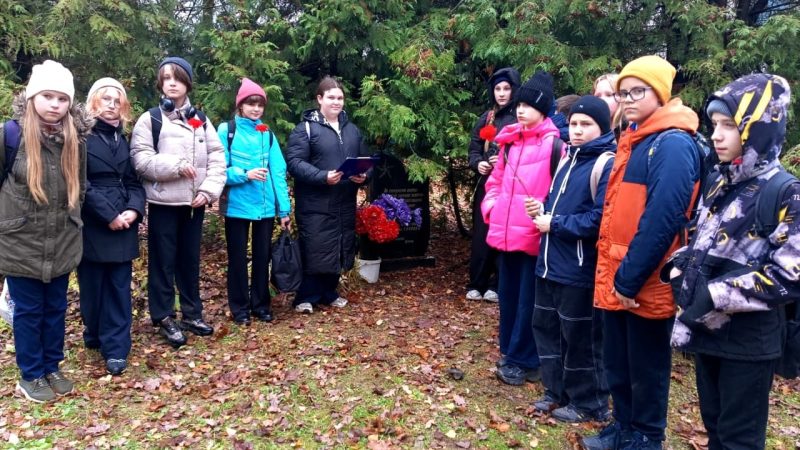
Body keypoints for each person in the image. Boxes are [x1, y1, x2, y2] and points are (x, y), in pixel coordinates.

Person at [666, 73, 798, 450]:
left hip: (750, 341)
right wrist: (679, 266)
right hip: (708, 332)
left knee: (740, 437)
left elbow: (790, 274)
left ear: (759, 129)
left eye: (730, 125)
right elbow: (704, 241)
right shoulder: (720, 182)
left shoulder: (785, 192)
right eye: (714, 125)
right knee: (716, 429)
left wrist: (718, 294)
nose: (717, 135)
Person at [583, 55, 702, 450]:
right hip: (618, 274)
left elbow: (664, 218)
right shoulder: (633, 138)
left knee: (646, 366)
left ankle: (646, 436)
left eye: (639, 91)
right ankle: (623, 426)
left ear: (661, 93)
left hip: (644, 280)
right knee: (619, 362)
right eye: (623, 92)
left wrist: (630, 277)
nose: (628, 99)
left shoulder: (672, 143)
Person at [0, 60, 89, 402]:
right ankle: (31, 374)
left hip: (63, 241)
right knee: (28, 311)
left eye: (62, 98)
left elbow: (80, 188)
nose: (55, 104)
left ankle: (52, 366)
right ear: (33, 96)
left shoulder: (75, 142)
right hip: (20, 243)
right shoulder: (11, 135)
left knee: (55, 309)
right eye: (48, 96)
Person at [527, 95, 614, 422]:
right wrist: (541, 209)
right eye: (573, 123)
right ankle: (556, 391)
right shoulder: (567, 159)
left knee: (581, 339)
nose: (576, 130)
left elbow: (600, 218)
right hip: (549, 264)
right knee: (547, 331)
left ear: (601, 127)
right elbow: (554, 203)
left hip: (579, 270)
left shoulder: (605, 164)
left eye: (585, 125)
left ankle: (589, 402)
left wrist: (557, 223)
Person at [130, 56, 226, 348]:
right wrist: (176, 165)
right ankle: (163, 317)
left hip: (193, 206)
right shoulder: (151, 119)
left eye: (178, 78)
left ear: (187, 83)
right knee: (163, 263)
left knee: (189, 261)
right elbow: (140, 158)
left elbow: (217, 157)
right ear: (161, 83)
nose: (172, 83)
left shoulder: (200, 120)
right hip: (163, 205)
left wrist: (208, 191)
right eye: (167, 78)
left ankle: (192, 313)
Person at [481, 71, 561, 385]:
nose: (521, 110)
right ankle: (510, 350)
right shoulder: (510, 143)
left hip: (532, 234)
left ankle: (525, 359)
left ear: (543, 109)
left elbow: (558, 189)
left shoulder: (554, 145)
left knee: (530, 301)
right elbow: (495, 181)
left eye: (529, 105)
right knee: (509, 295)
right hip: (504, 232)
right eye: (519, 104)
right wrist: (492, 206)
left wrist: (542, 217)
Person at [78, 78, 145, 376]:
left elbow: (133, 180)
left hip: (124, 218)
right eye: (106, 99)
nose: (112, 105)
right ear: (93, 102)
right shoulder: (81, 138)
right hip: (94, 221)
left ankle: (117, 348)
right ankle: (94, 332)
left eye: (117, 100)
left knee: (119, 287)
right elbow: (80, 183)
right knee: (92, 288)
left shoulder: (123, 139)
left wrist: (133, 210)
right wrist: (109, 215)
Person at [286, 76, 369, 314]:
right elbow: (294, 162)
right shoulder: (306, 129)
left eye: (340, 98)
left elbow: (366, 161)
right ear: (319, 99)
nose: (336, 102)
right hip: (315, 202)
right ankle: (305, 296)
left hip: (344, 201)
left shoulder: (352, 130)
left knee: (340, 244)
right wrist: (322, 176)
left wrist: (365, 176)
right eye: (331, 97)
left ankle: (328, 292)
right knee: (316, 247)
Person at [218, 78, 291, 325]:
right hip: (237, 206)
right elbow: (218, 169)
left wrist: (285, 210)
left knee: (262, 257)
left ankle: (261, 305)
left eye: (260, 104)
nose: (256, 109)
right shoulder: (226, 130)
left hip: (266, 207)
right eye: (251, 104)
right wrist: (244, 174)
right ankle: (239, 308)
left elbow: (278, 172)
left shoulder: (266, 134)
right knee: (237, 258)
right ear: (240, 105)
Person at [466, 67, 520, 303]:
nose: (501, 93)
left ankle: (497, 284)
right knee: (481, 233)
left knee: (504, 231)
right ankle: (476, 282)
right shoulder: (487, 117)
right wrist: (478, 163)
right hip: (487, 183)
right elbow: (474, 147)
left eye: (506, 88)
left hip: (511, 185)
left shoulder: (521, 117)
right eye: (497, 89)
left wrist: (505, 162)